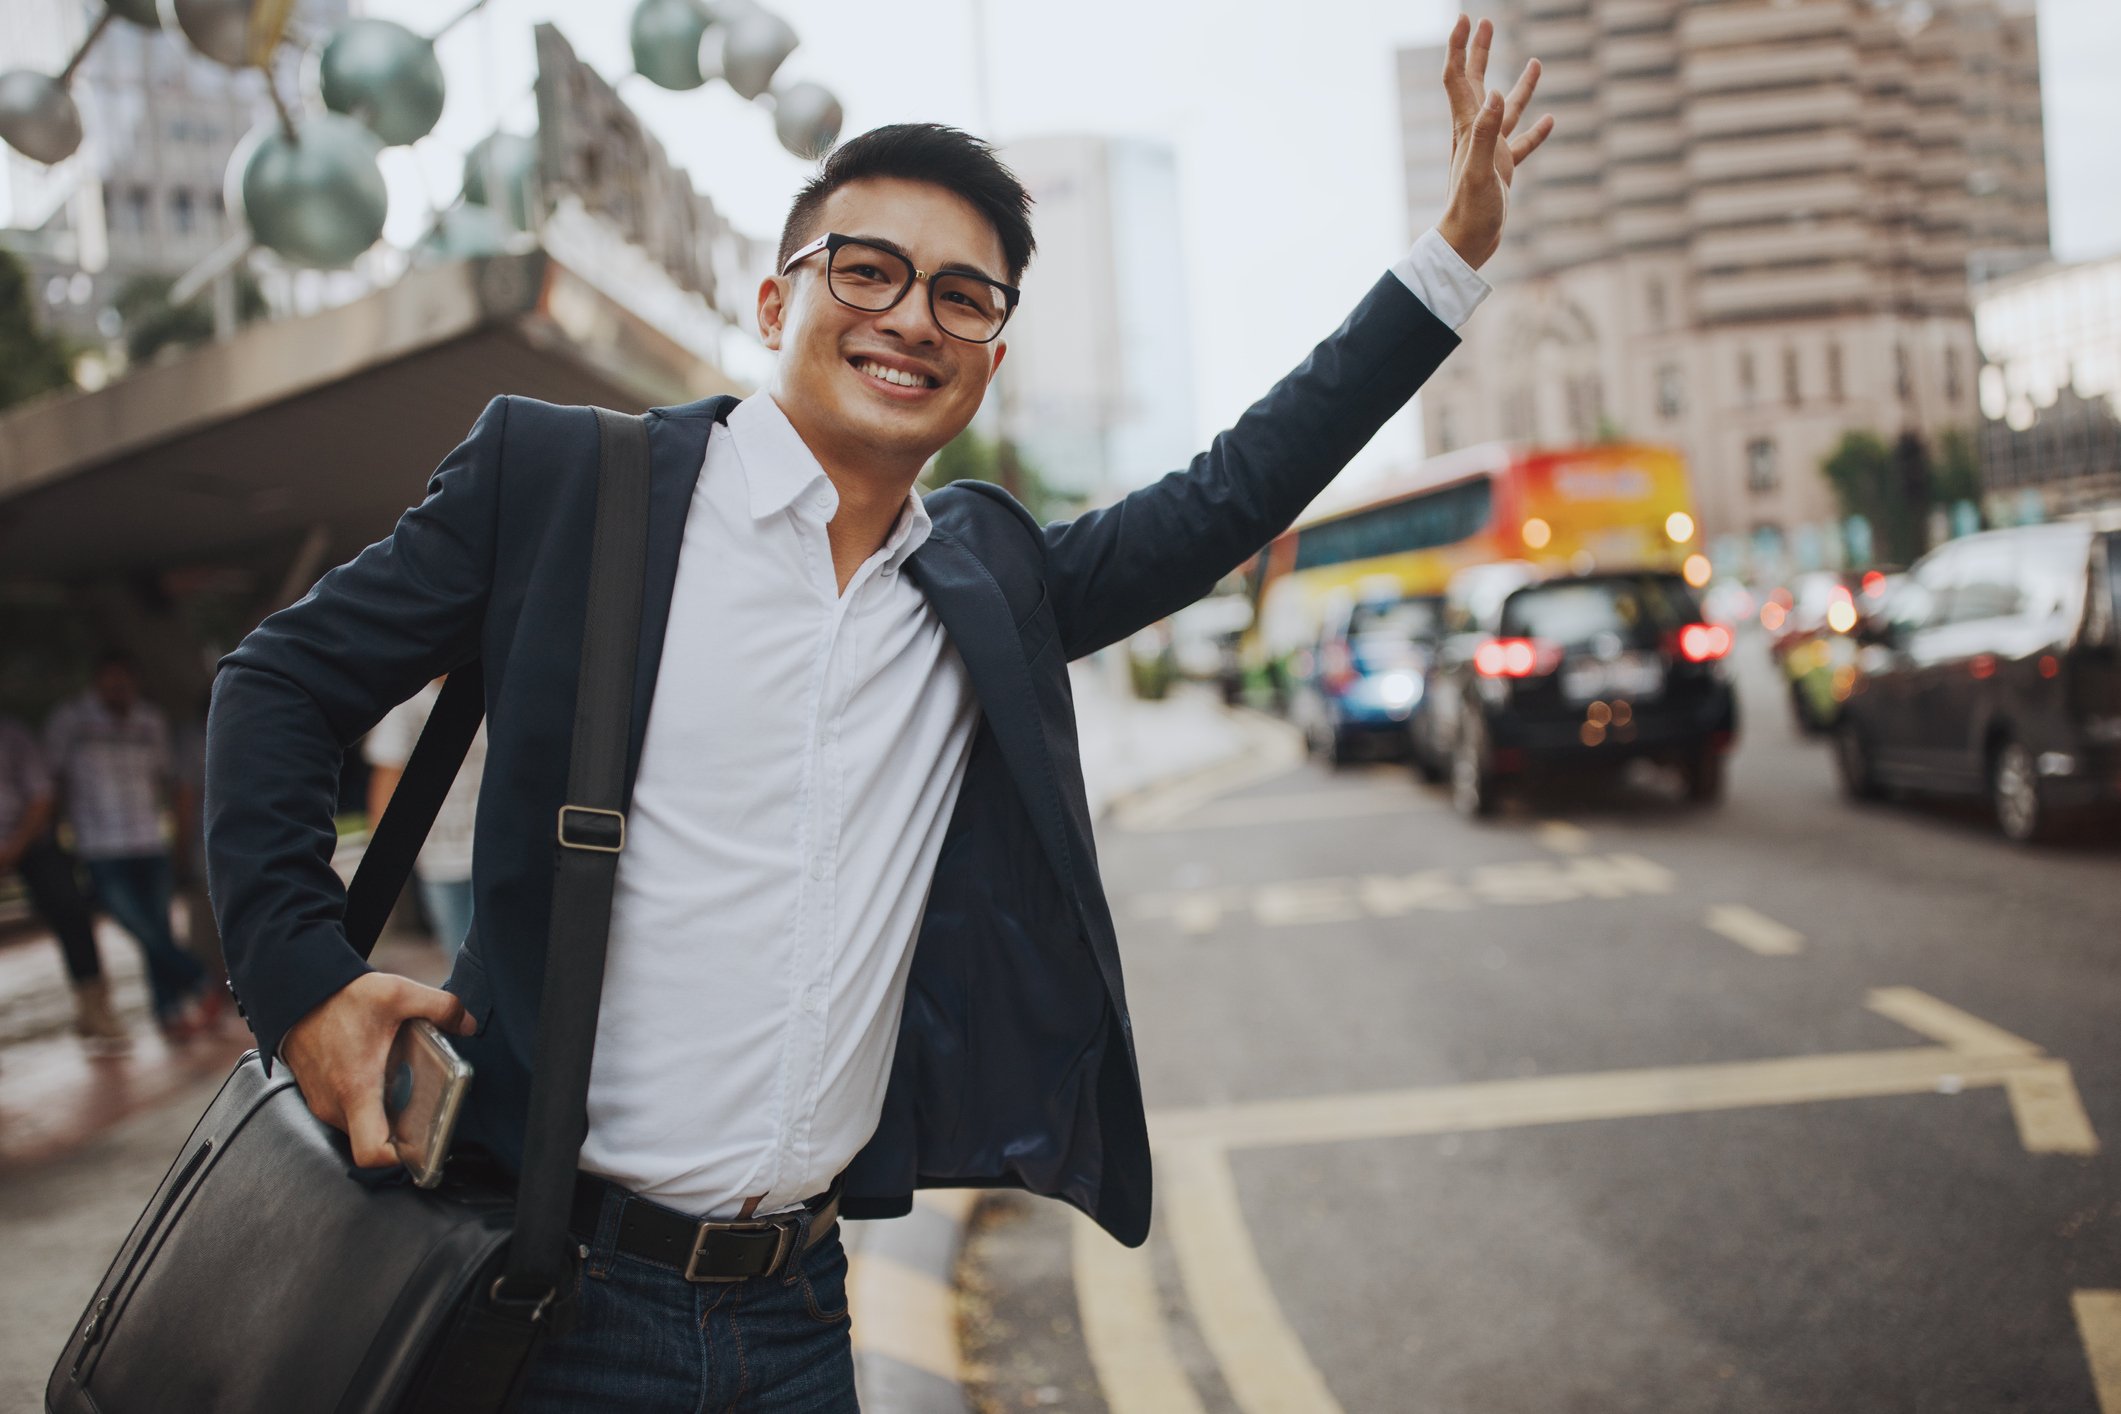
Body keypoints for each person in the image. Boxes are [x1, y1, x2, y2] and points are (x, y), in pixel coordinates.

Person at [205, 19, 1550, 1408]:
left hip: (795, 1311)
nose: (913, 316)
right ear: (779, 301)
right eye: (869, 270)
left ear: (990, 356)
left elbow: (1231, 491)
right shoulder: (565, 482)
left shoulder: (986, 580)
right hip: (543, 1291)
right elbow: (279, 684)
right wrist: (301, 979)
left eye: (964, 296)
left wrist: (1447, 259)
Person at [46, 655, 215, 1037]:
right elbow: (55, 780)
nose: (117, 690)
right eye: (110, 683)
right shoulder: (70, 720)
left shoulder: (149, 720)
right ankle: (201, 980)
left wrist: (176, 837)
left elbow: (169, 782)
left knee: (156, 926)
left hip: (148, 839)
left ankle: (168, 1012)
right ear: (96, 682)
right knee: (137, 924)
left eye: (123, 683)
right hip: (99, 845)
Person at [0, 715, 131, 1051]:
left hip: (28, 838)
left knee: (70, 910)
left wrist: (13, 848)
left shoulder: (12, 733)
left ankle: (95, 1008)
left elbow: (42, 796)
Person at [363, 676, 485, 959]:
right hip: (438, 855)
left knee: (501, 957)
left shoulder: (495, 685)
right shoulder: (406, 699)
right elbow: (386, 778)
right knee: (459, 958)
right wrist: (384, 861)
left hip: (494, 849)